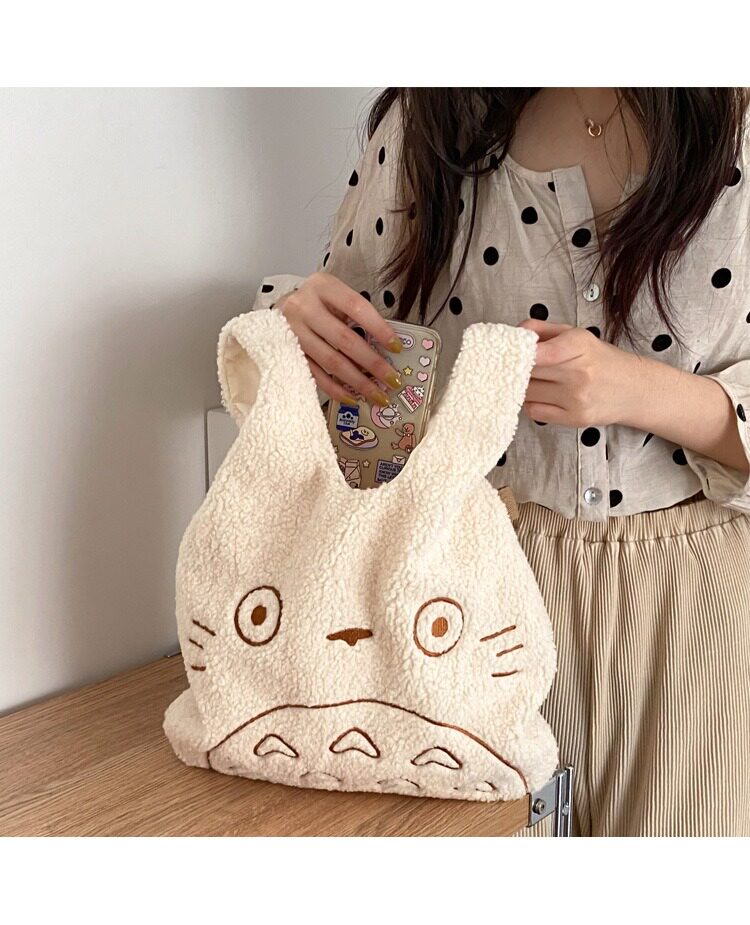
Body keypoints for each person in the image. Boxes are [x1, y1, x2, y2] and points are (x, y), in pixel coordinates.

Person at [250, 88, 750, 836]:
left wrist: (642, 391)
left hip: (697, 610)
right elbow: (359, 379)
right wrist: (297, 327)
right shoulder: (431, 120)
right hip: (464, 592)